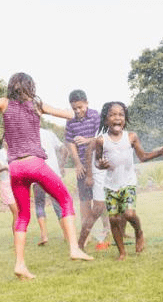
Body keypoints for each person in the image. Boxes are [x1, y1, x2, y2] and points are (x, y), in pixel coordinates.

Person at [0, 59, 93, 280]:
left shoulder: (4, 103)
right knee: (66, 199)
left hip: (16, 169)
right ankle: (74, 248)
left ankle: (20, 264)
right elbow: (70, 115)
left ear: (11, 87)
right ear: (31, 88)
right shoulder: (37, 105)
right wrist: (78, 108)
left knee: (23, 215)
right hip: (34, 164)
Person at [93, 102, 163, 260]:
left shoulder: (131, 137)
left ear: (125, 118)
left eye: (121, 114)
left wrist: (160, 152)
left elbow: (143, 157)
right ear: (105, 120)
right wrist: (100, 165)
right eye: (112, 115)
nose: (117, 117)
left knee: (129, 214)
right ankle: (122, 252)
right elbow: (97, 161)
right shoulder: (101, 141)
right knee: (114, 219)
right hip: (110, 186)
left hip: (128, 183)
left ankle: (139, 232)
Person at [65, 89, 100, 239]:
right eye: (74, 108)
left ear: (86, 103)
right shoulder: (70, 120)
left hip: (97, 162)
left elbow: (102, 137)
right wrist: (77, 164)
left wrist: (87, 140)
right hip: (83, 166)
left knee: (100, 199)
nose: (78, 111)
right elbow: (70, 143)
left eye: (80, 107)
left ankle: (107, 229)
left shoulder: (95, 116)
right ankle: (87, 234)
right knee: (85, 199)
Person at [34, 128, 68, 246]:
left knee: (39, 204)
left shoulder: (24, 133)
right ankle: (66, 234)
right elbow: (64, 149)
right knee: (58, 204)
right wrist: (61, 165)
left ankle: (44, 235)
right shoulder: (49, 133)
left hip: (36, 174)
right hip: (52, 173)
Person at [0, 137, 18, 232]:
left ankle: (20, 236)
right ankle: (17, 239)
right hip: (7, 185)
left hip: (18, 184)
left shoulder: (16, 151)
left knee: (21, 212)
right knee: (16, 212)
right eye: (4, 140)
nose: (6, 142)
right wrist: (4, 168)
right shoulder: (0, 153)